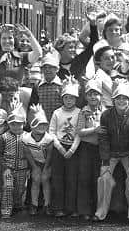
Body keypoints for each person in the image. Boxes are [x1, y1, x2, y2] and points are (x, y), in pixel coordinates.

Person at [94, 80, 129, 224]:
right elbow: (103, 138)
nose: (121, 101)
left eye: (124, 98)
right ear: (113, 99)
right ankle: (101, 212)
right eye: (118, 98)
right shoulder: (106, 115)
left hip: (128, 153)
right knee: (104, 177)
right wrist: (105, 159)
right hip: (111, 153)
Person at [49, 78, 81, 217]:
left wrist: (72, 149)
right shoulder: (57, 112)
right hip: (59, 147)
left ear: (76, 99)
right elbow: (51, 132)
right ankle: (58, 207)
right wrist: (60, 148)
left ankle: (71, 207)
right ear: (62, 98)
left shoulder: (79, 112)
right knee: (58, 178)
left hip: (74, 147)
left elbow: (79, 132)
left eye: (72, 98)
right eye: (66, 98)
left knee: (72, 178)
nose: (69, 101)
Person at [76, 79, 105, 220]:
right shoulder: (84, 111)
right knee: (84, 178)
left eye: (96, 94)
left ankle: (97, 210)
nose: (93, 97)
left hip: (101, 149)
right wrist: (95, 129)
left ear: (101, 96)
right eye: (90, 94)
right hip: (86, 148)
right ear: (86, 97)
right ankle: (84, 210)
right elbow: (79, 131)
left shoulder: (105, 111)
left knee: (98, 178)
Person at [0, 104, 29, 219]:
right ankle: (6, 210)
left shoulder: (27, 136)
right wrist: (5, 166)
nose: (16, 126)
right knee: (8, 187)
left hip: (23, 168)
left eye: (19, 123)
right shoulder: (4, 137)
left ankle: (17, 204)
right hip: (8, 168)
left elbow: (31, 154)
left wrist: (29, 167)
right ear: (9, 124)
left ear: (23, 124)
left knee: (20, 189)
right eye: (13, 124)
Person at [23, 104, 53, 216]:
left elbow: (50, 155)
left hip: (46, 163)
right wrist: (34, 167)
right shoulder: (26, 138)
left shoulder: (48, 138)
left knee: (45, 180)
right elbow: (27, 153)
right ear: (32, 125)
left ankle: (47, 205)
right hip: (34, 163)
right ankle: (34, 205)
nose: (42, 127)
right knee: (35, 180)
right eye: (39, 124)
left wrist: (46, 168)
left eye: (44, 124)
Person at [30, 53, 62, 122]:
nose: (47, 70)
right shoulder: (37, 86)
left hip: (59, 121)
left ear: (56, 69)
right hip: (42, 122)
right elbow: (33, 105)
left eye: (50, 67)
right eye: (45, 67)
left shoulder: (62, 85)